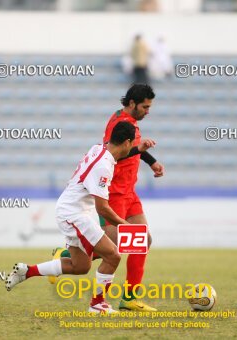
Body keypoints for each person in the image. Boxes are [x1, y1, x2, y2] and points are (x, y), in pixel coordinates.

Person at [5, 121, 156, 314]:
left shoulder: (99, 149)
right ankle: (97, 304)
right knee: (113, 255)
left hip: (71, 210)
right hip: (73, 214)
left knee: (80, 266)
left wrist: (137, 150)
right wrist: (126, 225)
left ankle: (27, 271)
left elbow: (117, 156)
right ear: (127, 142)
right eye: (132, 143)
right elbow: (102, 209)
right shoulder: (103, 167)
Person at [51, 84, 163, 312]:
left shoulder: (131, 123)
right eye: (145, 106)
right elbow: (113, 153)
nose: (147, 111)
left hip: (130, 191)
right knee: (116, 246)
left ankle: (130, 297)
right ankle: (66, 256)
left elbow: (133, 148)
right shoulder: (117, 123)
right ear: (132, 103)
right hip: (114, 193)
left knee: (143, 241)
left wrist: (151, 161)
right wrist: (144, 154)